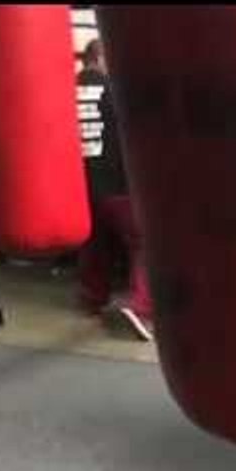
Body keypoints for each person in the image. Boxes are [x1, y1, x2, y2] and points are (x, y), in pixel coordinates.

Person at [76, 86, 154, 341]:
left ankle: (91, 298)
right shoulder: (121, 90)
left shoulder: (74, 91)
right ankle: (140, 308)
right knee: (145, 245)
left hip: (88, 184)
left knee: (95, 244)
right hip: (121, 184)